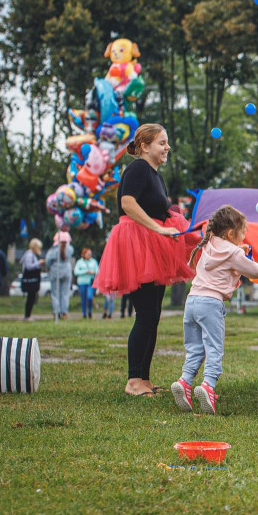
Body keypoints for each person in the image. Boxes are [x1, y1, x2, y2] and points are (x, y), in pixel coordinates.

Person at [93, 123, 198, 398]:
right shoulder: (137, 169)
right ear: (144, 146)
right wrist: (159, 229)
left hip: (152, 245)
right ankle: (133, 380)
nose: (167, 148)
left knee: (153, 315)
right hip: (136, 245)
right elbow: (128, 203)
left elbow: (168, 213)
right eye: (162, 143)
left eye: (167, 143)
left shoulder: (156, 177)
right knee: (145, 314)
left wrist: (195, 230)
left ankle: (145, 379)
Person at [171, 206, 258, 414]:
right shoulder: (232, 252)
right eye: (243, 233)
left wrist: (239, 252)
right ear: (231, 233)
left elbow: (224, 258)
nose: (244, 237)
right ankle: (208, 386)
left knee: (195, 348)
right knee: (214, 348)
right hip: (211, 303)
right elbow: (256, 271)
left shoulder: (209, 244)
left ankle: (185, 382)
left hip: (192, 301)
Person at [46, 232, 74, 321]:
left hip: (55, 272)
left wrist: (48, 268)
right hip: (67, 271)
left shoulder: (53, 249)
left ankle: (56, 312)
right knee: (65, 293)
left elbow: (47, 261)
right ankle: (64, 313)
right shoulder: (70, 249)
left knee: (55, 293)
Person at [19, 238, 43, 321]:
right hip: (31, 280)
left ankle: (28, 315)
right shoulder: (29, 255)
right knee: (30, 298)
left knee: (31, 298)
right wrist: (39, 263)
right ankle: (27, 316)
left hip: (31, 280)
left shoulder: (31, 254)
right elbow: (28, 266)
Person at [74, 248, 99, 318]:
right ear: (84, 254)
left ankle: (90, 311)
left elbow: (97, 271)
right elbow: (76, 272)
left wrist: (94, 272)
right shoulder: (79, 262)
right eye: (88, 254)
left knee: (89, 297)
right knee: (83, 298)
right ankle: (84, 313)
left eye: (90, 254)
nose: (89, 255)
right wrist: (86, 271)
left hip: (91, 282)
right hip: (82, 282)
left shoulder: (93, 261)